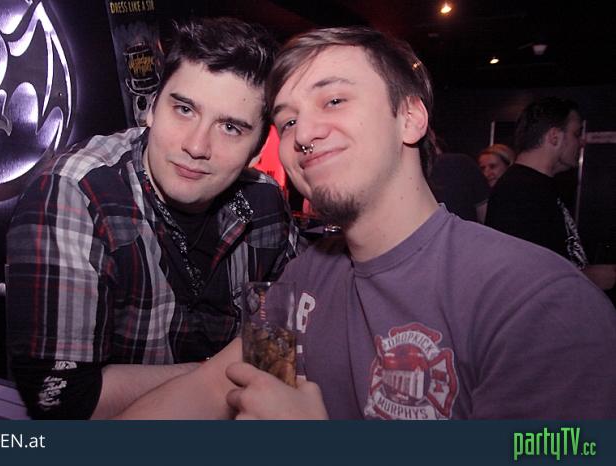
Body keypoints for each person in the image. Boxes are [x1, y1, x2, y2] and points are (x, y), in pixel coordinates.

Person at [118, 26, 616, 420]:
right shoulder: (307, 277)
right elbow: (213, 388)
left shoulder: (540, 303)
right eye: (287, 121)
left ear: (410, 118)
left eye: (333, 100)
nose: (304, 133)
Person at [5, 17, 301, 419]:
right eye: (184, 109)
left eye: (231, 127)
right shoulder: (76, 193)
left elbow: (289, 341)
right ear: (150, 109)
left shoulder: (265, 204)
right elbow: (61, 400)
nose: (197, 145)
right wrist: (222, 376)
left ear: (258, 148)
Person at [486, 97, 616, 290]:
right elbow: (524, 277)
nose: (581, 142)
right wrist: (591, 278)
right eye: (576, 134)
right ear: (554, 137)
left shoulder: (539, 185)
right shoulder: (519, 191)